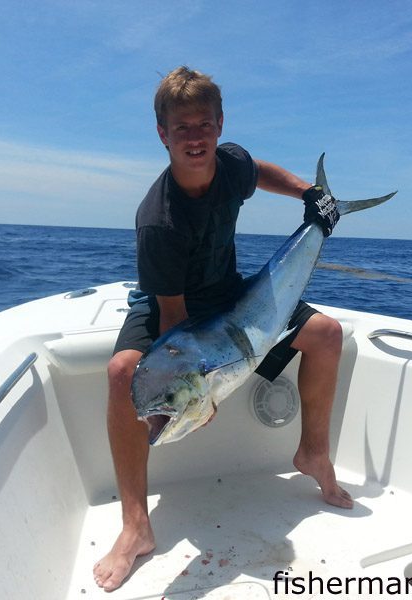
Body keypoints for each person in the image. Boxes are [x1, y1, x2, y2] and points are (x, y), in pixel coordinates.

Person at [93, 66, 353, 593]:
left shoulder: (230, 163)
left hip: (228, 291)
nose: (195, 137)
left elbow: (260, 172)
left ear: (219, 125)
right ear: (163, 134)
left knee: (326, 334)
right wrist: (199, 393)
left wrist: (310, 195)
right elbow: (175, 330)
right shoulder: (158, 222)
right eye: (182, 127)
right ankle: (135, 525)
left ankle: (313, 454)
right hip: (173, 306)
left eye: (204, 124)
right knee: (124, 372)